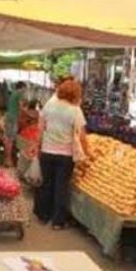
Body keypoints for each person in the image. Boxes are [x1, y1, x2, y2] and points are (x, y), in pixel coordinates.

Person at [32, 78, 90, 230]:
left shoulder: (49, 106)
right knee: (61, 187)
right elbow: (82, 136)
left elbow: (40, 129)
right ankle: (57, 221)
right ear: (76, 94)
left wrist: (36, 147)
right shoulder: (75, 111)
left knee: (47, 184)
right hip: (65, 155)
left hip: (47, 151)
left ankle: (43, 216)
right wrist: (88, 153)